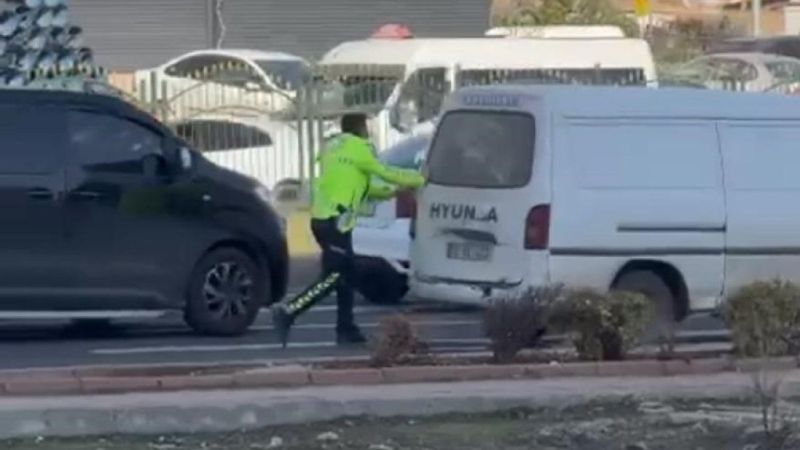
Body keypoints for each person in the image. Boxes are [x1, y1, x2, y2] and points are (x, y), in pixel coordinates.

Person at [271, 113, 425, 346]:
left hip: (325, 219)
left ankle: (346, 328)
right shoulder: (359, 149)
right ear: (361, 129)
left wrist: (393, 192)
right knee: (334, 277)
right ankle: (289, 311)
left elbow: (364, 184)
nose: (369, 133)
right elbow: (385, 172)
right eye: (367, 128)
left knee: (346, 275)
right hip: (335, 221)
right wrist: (419, 180)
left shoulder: (335, 148)